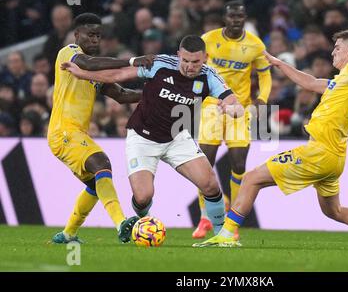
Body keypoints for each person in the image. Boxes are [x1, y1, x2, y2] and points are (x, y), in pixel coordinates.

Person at [194, 29, 348, 248]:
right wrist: (279, 63)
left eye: (338, 47)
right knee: (335, 211)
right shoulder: (342, 81)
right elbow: (308, 82)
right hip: (334, 157)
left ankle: (226, 234)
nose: (333, 52)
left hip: (319, 152)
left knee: (251, 179)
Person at [62, 35, 243, 237]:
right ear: (178, 55)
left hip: (177, 137)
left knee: (210, 184)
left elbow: (235, 105)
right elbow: (119, 74)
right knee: (142, 197)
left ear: (205, 58)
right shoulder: (160, 64)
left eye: (195, 62)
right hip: (142, 137)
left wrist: (230, 109)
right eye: (185, 61)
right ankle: (143, 221)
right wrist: (83, 74)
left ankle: (222, 235)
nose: (189, 67)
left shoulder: (210, 76)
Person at [48, 13, 154, 244]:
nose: (95, 40)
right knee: (101, 164)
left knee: (97, 184)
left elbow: (122, 95)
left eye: (98, 35)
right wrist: (131, 61)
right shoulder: (69, 53)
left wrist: (153, 95)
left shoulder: (94, 74)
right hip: (63, 131)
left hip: (76, 134)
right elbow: (87, 63)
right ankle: (121, 224)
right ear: (77, 35)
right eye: (90, 35)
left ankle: (67, 234)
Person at [193, 0, 272, 239]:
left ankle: (231, 221)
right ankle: (205, 217)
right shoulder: (208, 39)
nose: (236, 20)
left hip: (240, 109)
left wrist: (263, 99)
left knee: (238, 164)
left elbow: (265, 75)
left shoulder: (255, 45)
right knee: (204, 162)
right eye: (232, 16)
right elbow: (193, 67)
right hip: (212, 107)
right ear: (225, 18)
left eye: (240, 16)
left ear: (244, 18)